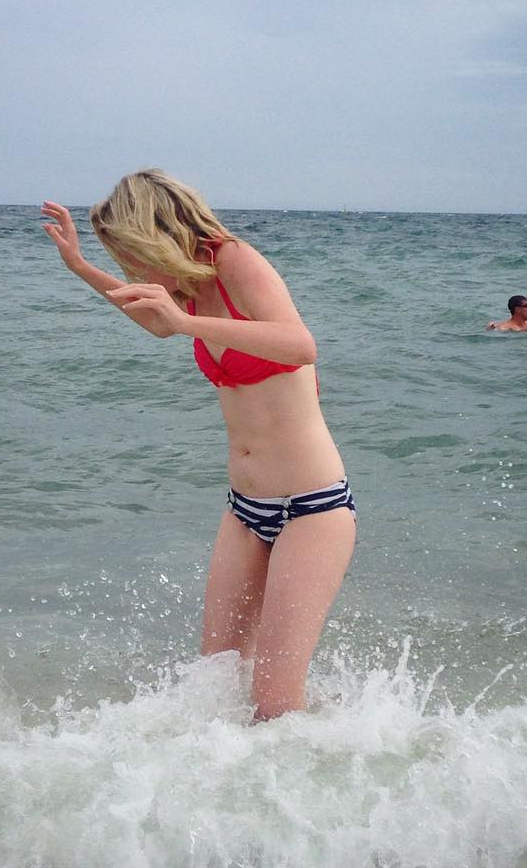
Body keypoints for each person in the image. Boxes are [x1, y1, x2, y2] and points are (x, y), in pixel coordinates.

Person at [41, 169, 355, 721]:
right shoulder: (189, 286)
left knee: (274, 704)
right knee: (214, 685)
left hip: (311, 507)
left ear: (155, 232)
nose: (132, 271)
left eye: (132, 255)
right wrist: (80, 267)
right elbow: (158, 324)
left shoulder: (235, 260)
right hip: (245, 509)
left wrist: (186, 322)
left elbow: (300, 345)